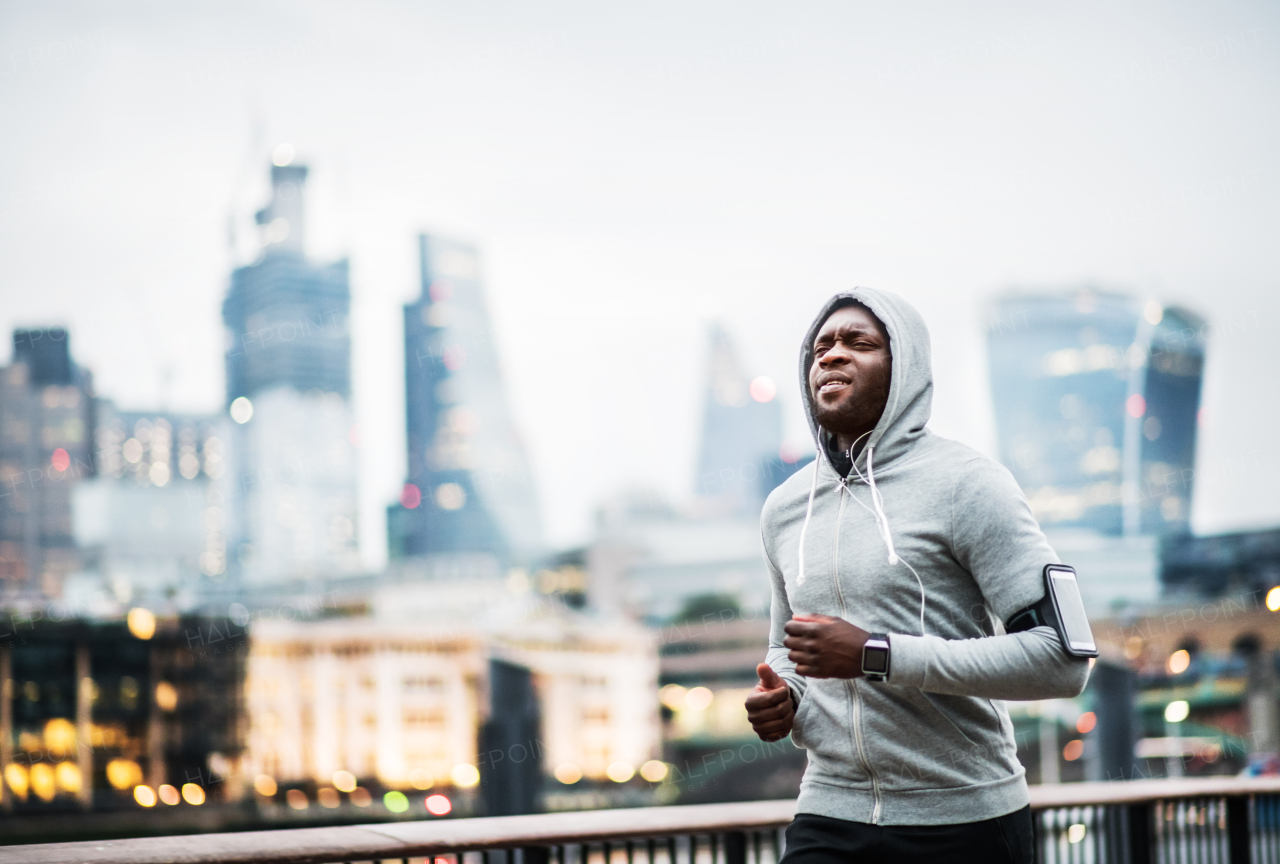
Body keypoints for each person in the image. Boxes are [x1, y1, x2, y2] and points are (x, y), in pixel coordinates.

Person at [745, 289, 1090, 863]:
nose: (831, 356)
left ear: (904, 367)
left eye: (859, 343)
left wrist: (875, 655)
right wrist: (787, 695)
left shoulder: (969, 484)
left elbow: (1062, 659)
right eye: (821, 347)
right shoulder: (783, 507)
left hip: (964, 818)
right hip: (831, 810)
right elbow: (786, 646)